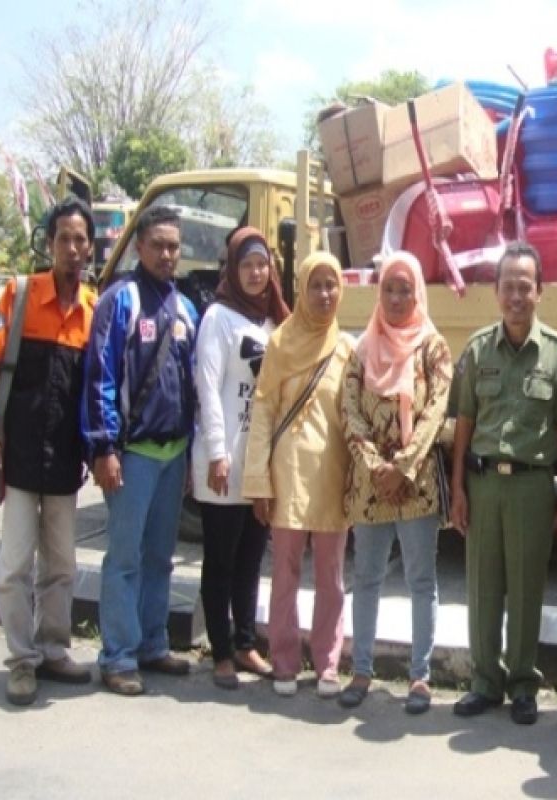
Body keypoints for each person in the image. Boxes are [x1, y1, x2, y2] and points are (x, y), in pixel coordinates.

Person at [448, 241, 557, 725]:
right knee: (483, 587)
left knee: (527, 588)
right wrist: (458, 487)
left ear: (540, 292)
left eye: (526, 286)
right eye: (508, 287)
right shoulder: (479, 348)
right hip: (484, 483)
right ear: (496, 292)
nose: (517, 296)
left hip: (531, 485)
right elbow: (464, 421)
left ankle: (523, 682)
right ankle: (486, 680)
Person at [0, 196, 99, 705]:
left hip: (66, 462)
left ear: (90, 248)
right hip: (17, 457)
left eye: (80, 240)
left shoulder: (93, 309)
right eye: (63, 238)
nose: (72, 248)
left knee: (62, 566)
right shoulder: (19, 295)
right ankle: (21, 661)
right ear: (50, 244)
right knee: (13, 568)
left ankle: (53, 650)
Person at [83, 204, 198, 696]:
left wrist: (191, 452)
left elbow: (192, 385)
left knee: (160, 558)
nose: (167, 254)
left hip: (174, 455)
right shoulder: (119, 300)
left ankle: (152, 644)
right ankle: (117, 655)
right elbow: (100, 379)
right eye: (158, 245)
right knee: (124, 559)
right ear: (138, 247)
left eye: (174, 246)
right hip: (130, 456)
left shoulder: (186, 308)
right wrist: (103, 447)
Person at [339, 251, 452, 714]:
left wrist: (401, 467)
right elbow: (349, 413)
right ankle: (361, 670)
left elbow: (435, 413)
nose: (398, 297)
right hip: (370, 489)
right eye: (389, 288)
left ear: (418, 291)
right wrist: (375, 468)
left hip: (416, 484)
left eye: (406, 288)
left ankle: (420, 677)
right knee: (366, 579)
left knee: (421, 581)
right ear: (378, 292)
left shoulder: (433, 347)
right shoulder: (362, 348)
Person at [242, 252, 353, 699]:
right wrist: (258, 482)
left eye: (331, 285)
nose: (324, 294)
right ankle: (284, 661)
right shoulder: (281, 343)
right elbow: (264, 412)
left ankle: (327, 664)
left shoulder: (346, 348)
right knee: (285, 572)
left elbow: (353, 417)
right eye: (315, 285)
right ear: (300, 289)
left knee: (331, 576)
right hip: (286, 473)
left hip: (332, 473)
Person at [191, 227, 290, 690]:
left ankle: (247, 641)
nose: (256, 273)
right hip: (224, 460)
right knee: (221, 558)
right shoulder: (219, 318)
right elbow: (208, 387)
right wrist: (215, 451)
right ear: (232, 267)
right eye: (247, 264)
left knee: (252, 556)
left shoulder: (273, 321)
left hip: (259, 463)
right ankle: (221, 650)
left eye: (262, 264)